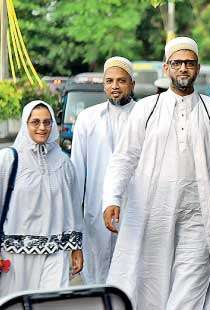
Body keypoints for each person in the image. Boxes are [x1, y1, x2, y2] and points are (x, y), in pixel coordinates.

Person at [102, 37, 210, 310]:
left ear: (198, 68)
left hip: (201, 216)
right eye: (177, 63)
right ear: (167, 68)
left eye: (189, 63)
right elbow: (124, 158)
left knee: (191, 287)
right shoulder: (146, 109)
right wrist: (111, 199)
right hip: (155, 214)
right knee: (153, 285)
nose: (183, 69)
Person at [0, 100, 84, 307]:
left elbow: (73, 208)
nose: (42, 127)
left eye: (47, 122)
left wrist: (76, 248)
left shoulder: (64, 163)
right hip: (14, 256)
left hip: (55, 253)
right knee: (12, 305)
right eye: (35, 122)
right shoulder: (6, 160)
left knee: (52, 305)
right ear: (25, 124)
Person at [70, 56, 136, 285]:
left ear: (132, 84)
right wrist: (75, 224)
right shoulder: (87, 119)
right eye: (109, 81)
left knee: (131, 279)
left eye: (121, 81)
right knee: (97, 279)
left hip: (134, 210)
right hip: (95, 213)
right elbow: (78, 174)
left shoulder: (145, 117)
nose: (115, 86)